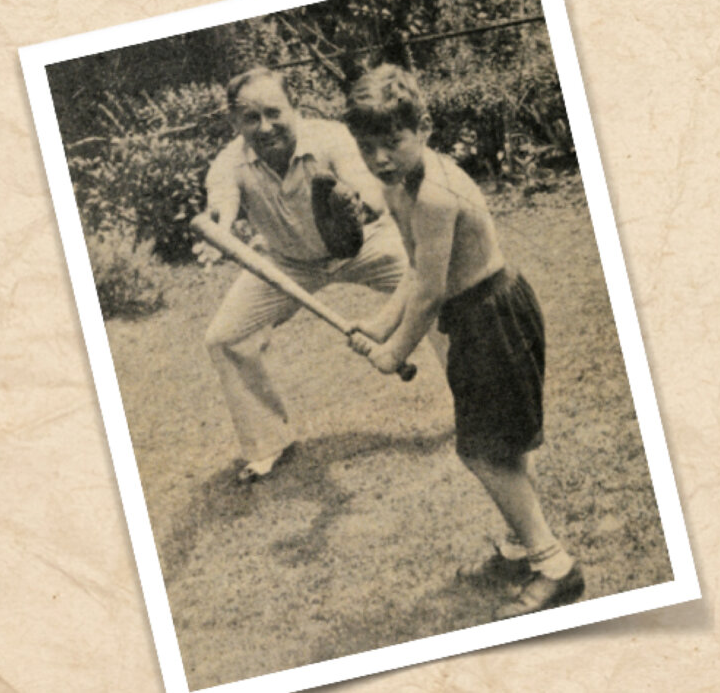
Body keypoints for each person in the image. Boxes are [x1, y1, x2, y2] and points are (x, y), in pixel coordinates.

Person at [343, 64, 584, 619]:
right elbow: (415, 268)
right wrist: (381, 323)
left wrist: (395, 351)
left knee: (484, 451)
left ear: (422, 128)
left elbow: (429, 293)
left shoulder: (433, 194)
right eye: (367, 145)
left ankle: (555, 567)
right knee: (495, 444)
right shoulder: (398, 185)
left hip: (492, 316)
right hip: (473, 319)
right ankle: (523, 547)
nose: (379, 157)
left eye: (392, 141)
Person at [200, 67, 445, 484]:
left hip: (366, 244)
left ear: (294, 107)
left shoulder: (331, 137)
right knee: (225, 338)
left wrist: (359, 204)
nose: (265, 126)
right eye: (250, 118)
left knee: (440, 291)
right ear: (234, 122)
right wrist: (218, 233)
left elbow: (370, 191)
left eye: (274, 112)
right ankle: (268, 444)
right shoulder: (229, 162)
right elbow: (220, 206)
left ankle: (481, 402)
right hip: (288, 262)